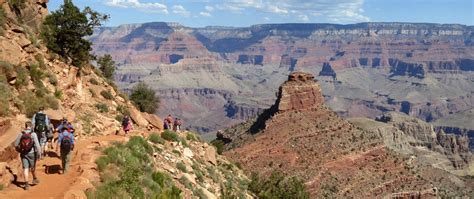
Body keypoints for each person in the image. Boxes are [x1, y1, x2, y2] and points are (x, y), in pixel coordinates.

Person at [14, 122, 41, 190]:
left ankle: (26, 184)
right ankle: (34, 178)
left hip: (23, 153)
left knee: (25, 168)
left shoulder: (21, 134)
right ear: (31, 126)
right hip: (32, 153)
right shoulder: (33, 134)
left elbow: (15, 144)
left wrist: (19, 150)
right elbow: (37, 145)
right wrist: (39, 154)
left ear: (25, 126)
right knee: (32, 167)